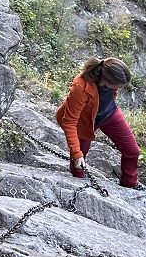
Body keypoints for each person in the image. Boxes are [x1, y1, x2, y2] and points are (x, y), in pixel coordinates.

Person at [55, 56, 141, 188]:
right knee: (79, 157)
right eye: (118, 86)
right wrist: (77, 154)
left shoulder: (108, 71)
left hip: (110, 114)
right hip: (83, 122)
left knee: (132, 150)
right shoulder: (80, 87)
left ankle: (129, 184)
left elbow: (111, 93)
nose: (119, 89)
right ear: (106, 80)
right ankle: (78, 184)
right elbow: (70, 122)